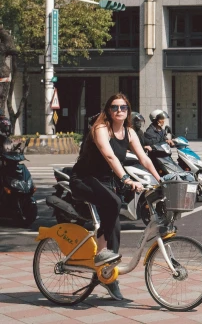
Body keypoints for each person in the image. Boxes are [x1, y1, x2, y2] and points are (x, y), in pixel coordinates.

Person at [70, 93, 161, 301]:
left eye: (123, 107)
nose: (119, 111)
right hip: (84, 179)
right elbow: (109, 155)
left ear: (128, 110)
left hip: (106, 183)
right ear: (108, 110)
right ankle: (101, 253)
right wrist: (127, 178)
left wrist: (160, 179)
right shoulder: (101, 129)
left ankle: (106, 275)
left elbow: (144, 158)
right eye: (114, 107)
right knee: (114, 202)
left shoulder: (129, 132)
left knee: (116, 230)